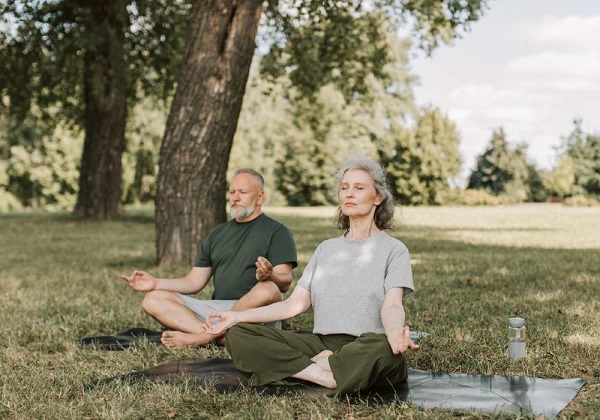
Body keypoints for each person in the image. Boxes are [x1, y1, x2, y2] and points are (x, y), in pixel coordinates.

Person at [206, 158, 418, 395]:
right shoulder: (325, 249)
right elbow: (293, 305)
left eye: (359, 188)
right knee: (239, 333)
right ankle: (321, 374)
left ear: (378, 197)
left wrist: (394, 333)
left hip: (365, 344)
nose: (349, 193)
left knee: (385, 350)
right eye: (344, 187)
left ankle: (305, 367)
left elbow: (392, 306)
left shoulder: (393, 249)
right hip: (321, 344)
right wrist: (235, 317)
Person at [120, 169, 297, 348]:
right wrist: (155, 283)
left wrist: (271, 275)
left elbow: (284, 283)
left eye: (242, 192)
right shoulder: (217, 234)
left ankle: (201, 338)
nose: (235, 198)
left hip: (255, 312)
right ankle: (222, 338)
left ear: (260, 197)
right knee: (153, 299)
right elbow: (194, 281)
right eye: (232, 192)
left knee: (268, 288)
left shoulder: (277, 231)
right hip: (217, 312)